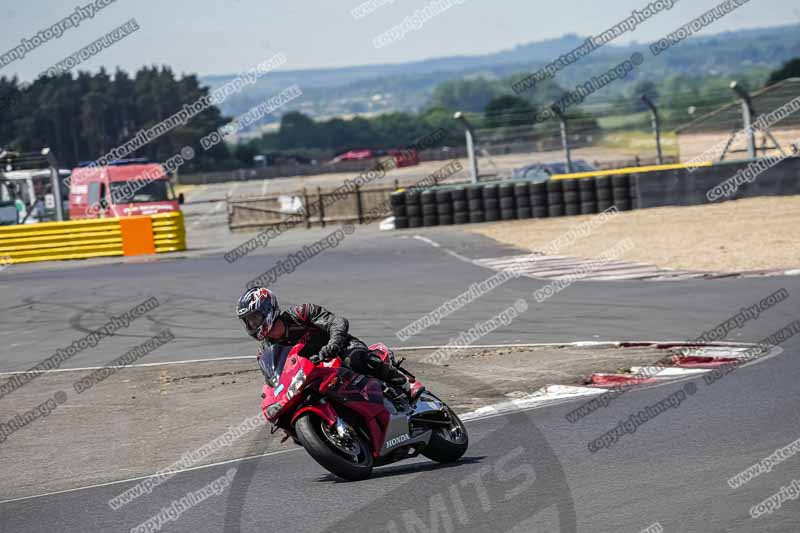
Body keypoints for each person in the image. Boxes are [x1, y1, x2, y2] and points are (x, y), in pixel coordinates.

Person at [236, 287, 424, 401]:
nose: (252, 325)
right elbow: (274, 381)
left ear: (267, 309)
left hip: (340, 351)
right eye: (248, 322)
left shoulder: (301, 314)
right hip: (313, 373)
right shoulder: (264, 352)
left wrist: (333, 345)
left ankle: (405, 384)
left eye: (254, 318)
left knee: (354, 359)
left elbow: (337, 322)